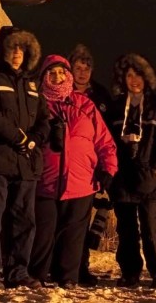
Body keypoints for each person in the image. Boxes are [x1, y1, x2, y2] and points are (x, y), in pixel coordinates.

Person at [29, 54, 118, 289]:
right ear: (44, 77)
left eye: (61, 72)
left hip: (81, 182)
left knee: (73, 235)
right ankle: (37, 274)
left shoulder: (85, 105)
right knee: (43, 232)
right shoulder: (36, 105)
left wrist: (108, 167)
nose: (58, 77)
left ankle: (68, 277)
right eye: (52, 73)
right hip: (45, 180)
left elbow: (104, 141)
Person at [0, 26, 49, 290]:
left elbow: (43, 120)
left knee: (24, 220)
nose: (17, 53)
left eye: (21, 48)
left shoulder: (31, 81)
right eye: (12, 47)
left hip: (26, 163)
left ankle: (18, 271)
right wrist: (18, 138)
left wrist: (34, 140)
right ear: (2, 48)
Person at [108, 53, 156, 290]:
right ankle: (130, 272)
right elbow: (107, 141)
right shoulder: (115, 107)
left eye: (138, 75)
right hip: (123, 176)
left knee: (152, 228)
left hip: (149, 176)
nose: (134, 80)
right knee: (126, 229)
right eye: (129, 75)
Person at [68, 43, 115, 285]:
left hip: (94, 166)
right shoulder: (61, 91)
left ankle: (82, 266)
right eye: (78, 67)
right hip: (69, 167)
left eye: (87, 68)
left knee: (86, 220)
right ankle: (63, 265)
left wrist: (108, 165)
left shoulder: (101, 95)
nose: (83, 72)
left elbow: (109, 133)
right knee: (68, 220)